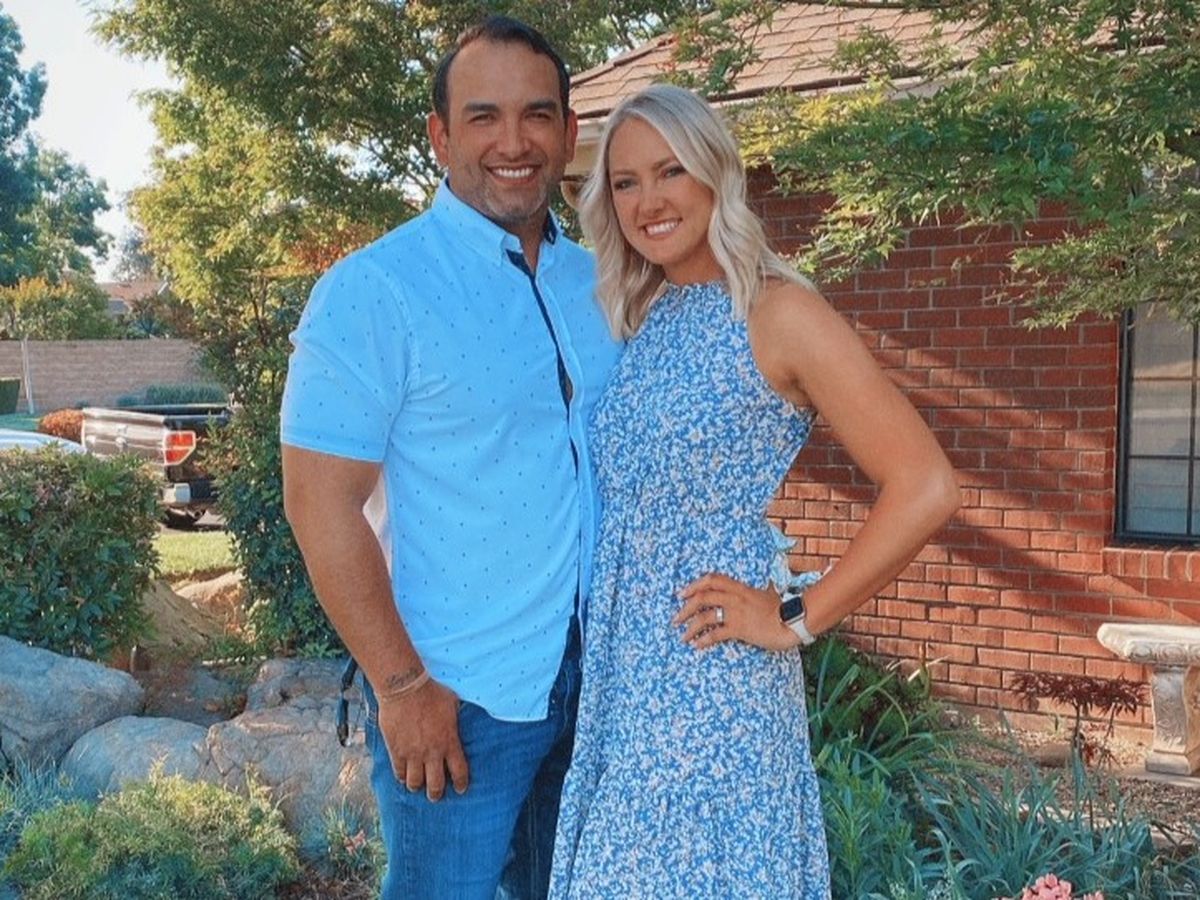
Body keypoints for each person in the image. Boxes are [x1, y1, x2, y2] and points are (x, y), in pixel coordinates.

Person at [547, 84, 961, 898]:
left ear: (715, 172)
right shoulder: (650, 308)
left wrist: (796, 615)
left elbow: (925, 485)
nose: (648, 200)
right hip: (630, 670)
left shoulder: (779, 312)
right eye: (625, 181)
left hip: (711, 670)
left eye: (670, 170)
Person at [279, 17, 621, 900]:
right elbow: (319, 505)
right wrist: (402, 688)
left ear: (568, 132)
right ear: (439, 136)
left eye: (537, 115)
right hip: (459, 700)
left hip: (604, 693)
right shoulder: (373, 291)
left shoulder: (602, 285)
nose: (514, 142)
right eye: (483, 117)